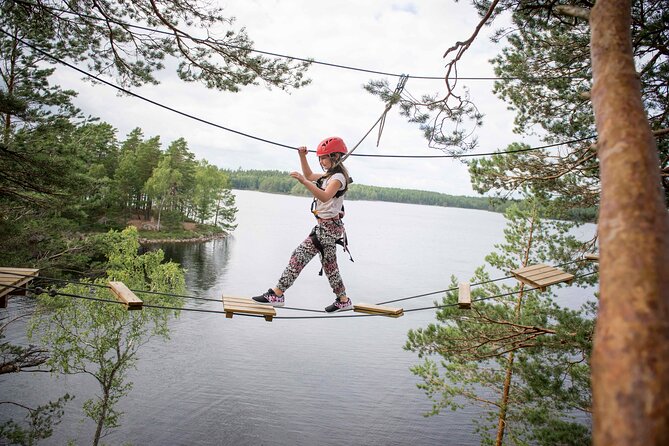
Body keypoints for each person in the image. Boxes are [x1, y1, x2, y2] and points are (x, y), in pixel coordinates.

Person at [252, 136, 353, 312]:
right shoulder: (329, 175)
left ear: (335, 156)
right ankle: (343, 299)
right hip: (328, 227)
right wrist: (302, 156)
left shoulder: (338, 178)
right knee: (330, 266)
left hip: (328, 229)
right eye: (320, 158)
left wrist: (304, 182)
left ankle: (277, 293)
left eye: (324, 157)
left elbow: (324, 195)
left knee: (299, 255)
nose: (321, 161)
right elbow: (309, 174)